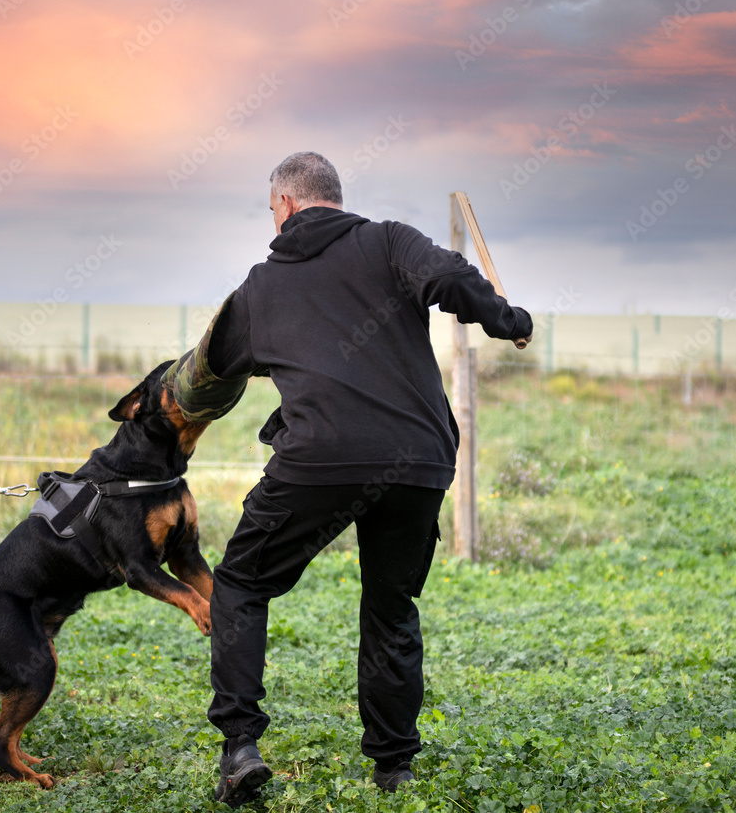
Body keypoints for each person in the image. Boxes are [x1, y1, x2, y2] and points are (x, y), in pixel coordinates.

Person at [164, 151, 533, 807]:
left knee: (245, 581)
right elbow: (451, 279)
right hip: (417, 459)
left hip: (320, 458)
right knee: (390, 607)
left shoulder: (261, 283)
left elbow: (211, 370)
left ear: (283, 205)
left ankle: (240, 748)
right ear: (334, 198)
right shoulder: (388, 241)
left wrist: (163, 414)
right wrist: (508, 319)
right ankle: (394, 769)